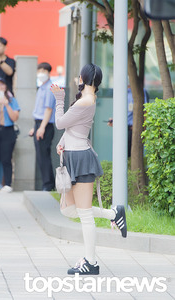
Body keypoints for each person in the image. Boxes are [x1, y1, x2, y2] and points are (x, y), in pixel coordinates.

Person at [50, 63, 127, 275]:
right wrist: (63, 141)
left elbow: (60, 123)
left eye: (79, 76)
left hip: (81, 158)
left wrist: (58, 99)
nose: (77, 79)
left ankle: (91, 262)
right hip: (74, 155)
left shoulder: (84, 101)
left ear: (83, 78)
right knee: (67, 209)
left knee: (84, 214)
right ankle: (114, 213)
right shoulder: (87, 100)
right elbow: (72, 128)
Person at [29, 62, 56, 191]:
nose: (40, 73)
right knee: (41, 156)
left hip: (45, 125)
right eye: (39, 70)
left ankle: (48, 184)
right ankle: (47, 183)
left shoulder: (50, 88)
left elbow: (49, 109)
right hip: (39, 124)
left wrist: (42, 127)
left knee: (44, 155)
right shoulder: (41, 87)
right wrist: (36, 127)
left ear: (48, 72)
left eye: (43, 71)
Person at [107, 86, 149, 157]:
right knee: (120, 156)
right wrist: (114, 121)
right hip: (121, 129)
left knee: (130, 156)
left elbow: (145, 111)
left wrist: (144, 130)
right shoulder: (120, 91)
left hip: (132, 129)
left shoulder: (140, 91)